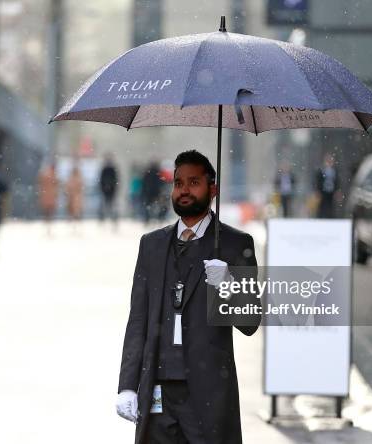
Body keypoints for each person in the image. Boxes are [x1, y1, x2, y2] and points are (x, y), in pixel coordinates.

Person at [116, 150, 259, 444]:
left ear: (212, 189)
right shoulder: (152, 245)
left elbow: (250, 322)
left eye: (194, 182)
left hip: (208, 395)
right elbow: (138, 320)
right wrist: (128, 385)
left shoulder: (234, 244)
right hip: (157, 390)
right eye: (178, 183)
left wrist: (229, 285)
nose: (184, 190)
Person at [315, 154, 340, 218]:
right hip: (323, 190)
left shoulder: (335, 171)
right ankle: (321, 217)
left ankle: (330, 217)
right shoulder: (321, 170)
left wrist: (337, 190)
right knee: (322, 204)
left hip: (332, 190)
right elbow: (318, 180)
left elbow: (337, 181)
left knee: (331, 204)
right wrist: (318, 190)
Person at [99, 154, 119, 223]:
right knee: (107, 206)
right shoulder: (109, 169)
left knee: (109, 206)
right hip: (108, 191)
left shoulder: (109, 169)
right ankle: (107, 218)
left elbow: (115, 180)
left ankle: (111, 219)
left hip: (110, 191)